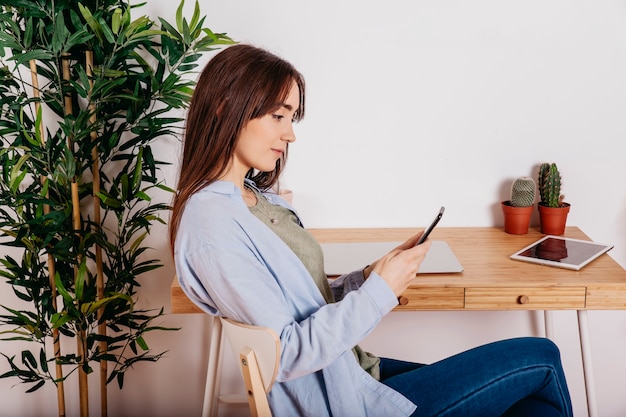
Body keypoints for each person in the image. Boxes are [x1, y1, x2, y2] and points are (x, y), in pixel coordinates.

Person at [170, 44, 573, 417]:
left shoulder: (258, 200)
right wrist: (380, 292)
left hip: (357, 372)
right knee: (543, 356)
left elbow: (310, 303)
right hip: (343, 402)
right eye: (278, 115)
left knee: (532, 407)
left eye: (291, 118)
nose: (290, 133)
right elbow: (288, 352)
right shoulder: (212, 223)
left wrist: (369, 277)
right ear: (225, 107)